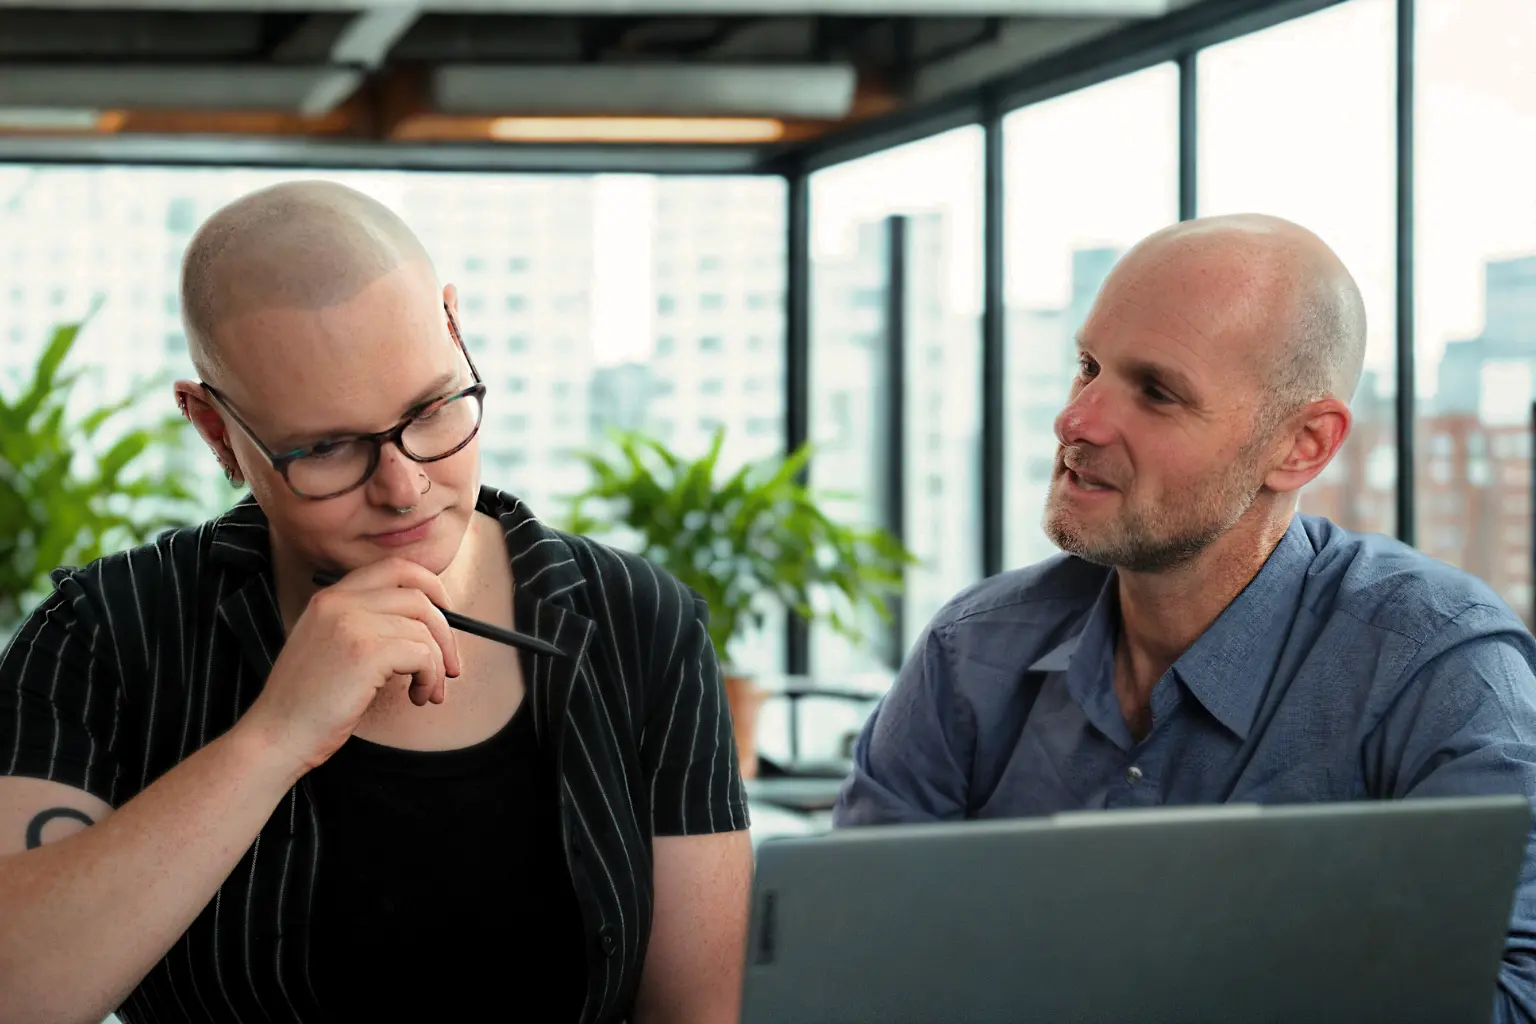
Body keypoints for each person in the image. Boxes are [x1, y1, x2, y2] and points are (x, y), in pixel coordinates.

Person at [0, 180, 752, 1024]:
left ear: (456, 329)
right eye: (325, 447)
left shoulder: (639, 623)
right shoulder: (103, 636)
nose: (404, 487)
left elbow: (691, 1013)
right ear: (216, 432)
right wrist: (274, 738)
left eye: (432, 408)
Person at [832, 213, 1536, 1021]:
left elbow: (1512, 996)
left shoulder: (1435, 664)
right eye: (1087, 367)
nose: (1077, 421)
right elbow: (855, 958)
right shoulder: (973, 649)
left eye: (1157, 392)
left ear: (1302, 445)